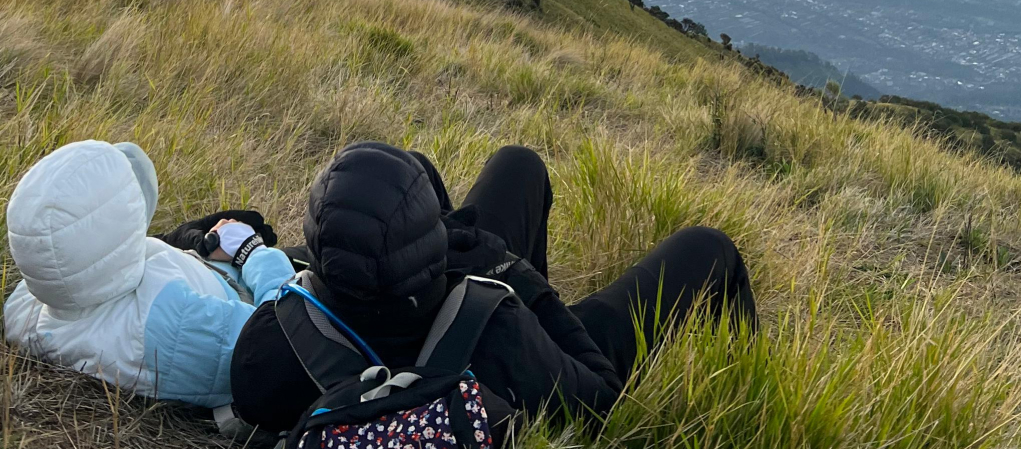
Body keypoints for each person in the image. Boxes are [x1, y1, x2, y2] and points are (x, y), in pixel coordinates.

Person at [230, 142, 756, 441]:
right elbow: (599, 397)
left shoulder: (271, 341)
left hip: (392, 317)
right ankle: (749, 387)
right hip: (514, 350)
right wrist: (512, 276)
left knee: (515, 163)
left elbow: (256, 401)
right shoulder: (501, 328)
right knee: (710, 248)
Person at [3, 140, 294, 417]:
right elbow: (286, 333)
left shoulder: (25, 309)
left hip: (207, 268)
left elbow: (88, 257)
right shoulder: (169, 319)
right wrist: (252, 251)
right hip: (253, 289)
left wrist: (185, 241)